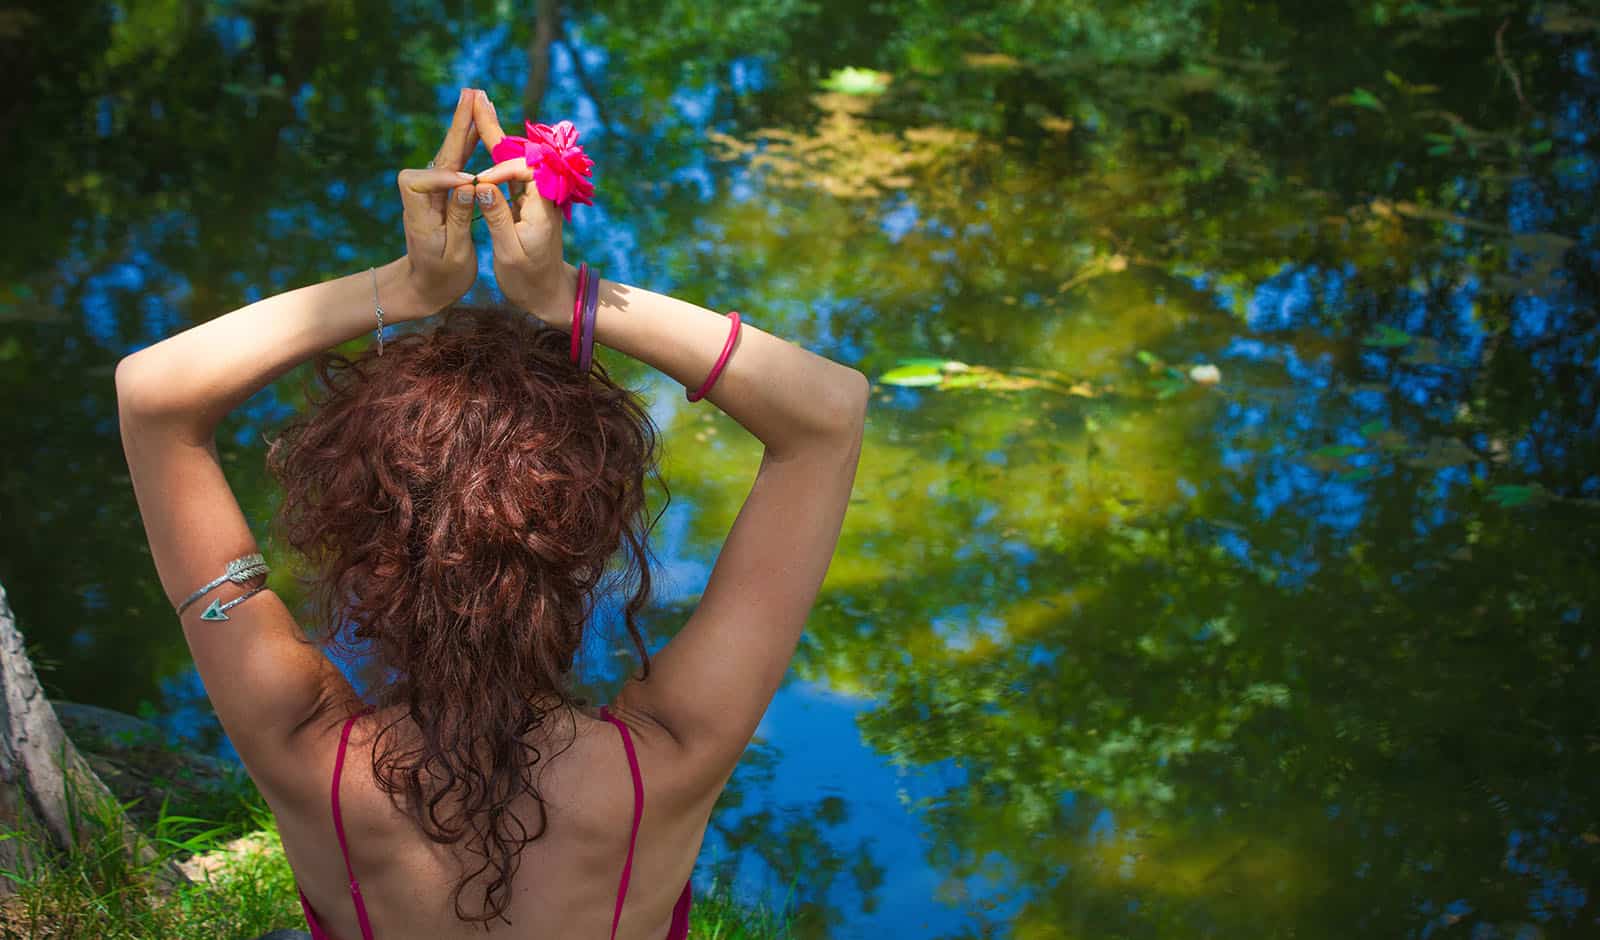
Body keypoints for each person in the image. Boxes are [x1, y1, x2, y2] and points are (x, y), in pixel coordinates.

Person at [114, 87, 868, 939]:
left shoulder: (301, 744)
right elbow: (828, 415)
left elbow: (152, 399)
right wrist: (567, 295)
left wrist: (401, 287)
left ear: (365, 547)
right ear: (580, 544)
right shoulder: (669, 754)